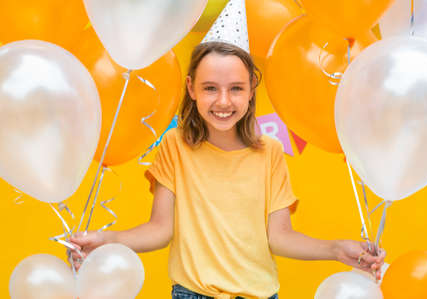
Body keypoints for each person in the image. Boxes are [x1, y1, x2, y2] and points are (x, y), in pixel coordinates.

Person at [69, 41, 385, 299]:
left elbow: (280, 237)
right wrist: (107, 239)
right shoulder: (175, 146)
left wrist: (335, 249)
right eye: (210, 88)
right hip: (192, 294)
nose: (223, 101)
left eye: (236, 88)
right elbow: (160, 229)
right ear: (191, 88)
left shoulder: (270, 153)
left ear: (252, 89)